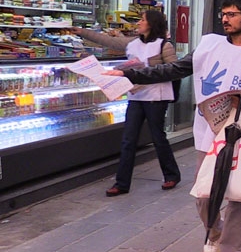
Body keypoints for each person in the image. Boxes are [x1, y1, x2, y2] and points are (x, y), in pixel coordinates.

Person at [106, 0, 241, 252]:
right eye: (223, 13)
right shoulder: (209, 46)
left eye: (233, 14)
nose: (226, 19)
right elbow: (172, 70)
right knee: (204, 196)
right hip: (207, 134)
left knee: (238, 199)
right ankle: (214, 233)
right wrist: (129, 72)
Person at [71, 11, 181, 197]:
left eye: (143, 20)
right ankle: (122, 183)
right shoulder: (133, 43)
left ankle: (171, 175)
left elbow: (175, 70)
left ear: (152, 24)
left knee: (158, 137)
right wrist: (81, 32)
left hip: (156, 96)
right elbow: (108, 41)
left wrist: (147, 71)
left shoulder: (164, 45)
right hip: (136, 96)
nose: (139, 23)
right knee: (128, 140)